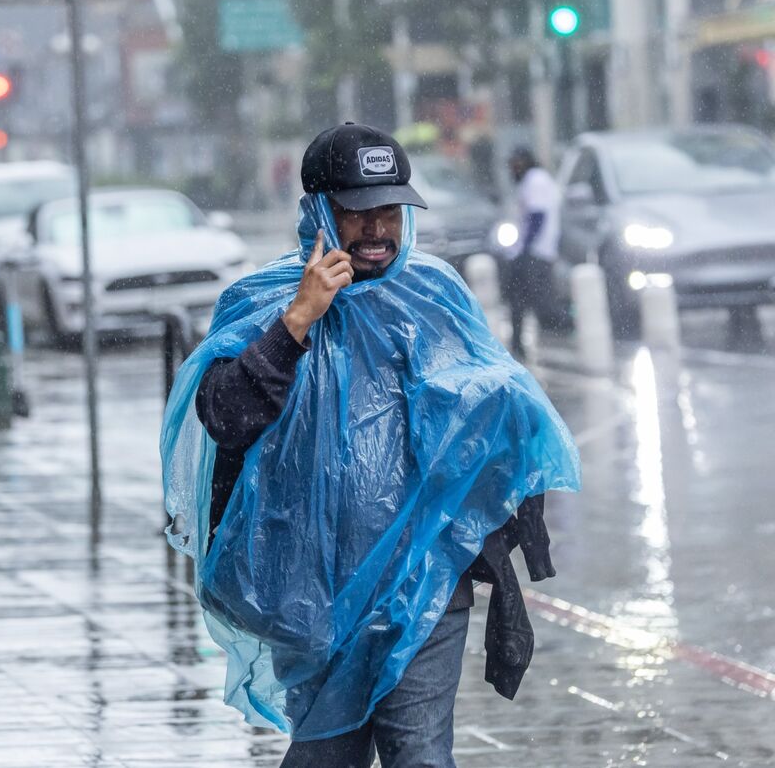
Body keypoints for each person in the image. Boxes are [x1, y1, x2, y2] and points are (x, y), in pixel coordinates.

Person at [161, 123, 580, 767]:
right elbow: (228, 414)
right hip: (310, 593)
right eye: (360, 213)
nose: (379, 229)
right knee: (330, 755)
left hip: (425, 582)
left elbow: (494, 421)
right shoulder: (265, 302)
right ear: (320, 211)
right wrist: (298, 320)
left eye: (391, 210)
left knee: (418, 754)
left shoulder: (435, 296)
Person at [505, 147, 561, 356]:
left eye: (516, 165)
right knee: (521, 299)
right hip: (535, 252)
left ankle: (521, 345)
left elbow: (538, 216)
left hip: (535, 253)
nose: (513, 170)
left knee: (538, 304)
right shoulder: (534, 180)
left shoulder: (535, 180)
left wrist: (525, 249)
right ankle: (518, 345)